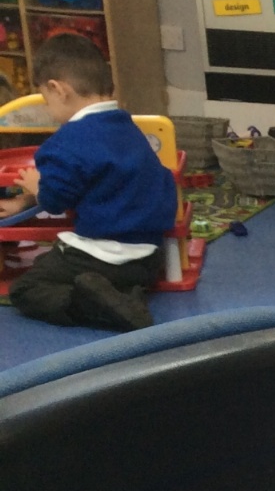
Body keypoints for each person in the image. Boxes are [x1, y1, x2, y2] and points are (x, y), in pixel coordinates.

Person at [2, 34, 175, 331]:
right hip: (147, 261)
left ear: (58, 90)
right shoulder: (126, 126)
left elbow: (55, 201)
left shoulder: (65, 143)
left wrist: (37, 186)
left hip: (99, 257)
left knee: (27, 288)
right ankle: (124, 295)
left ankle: (92, 307)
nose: (48, 109)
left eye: (46, 100)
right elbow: (93, 182)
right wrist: (24, 201)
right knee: (82, 274)